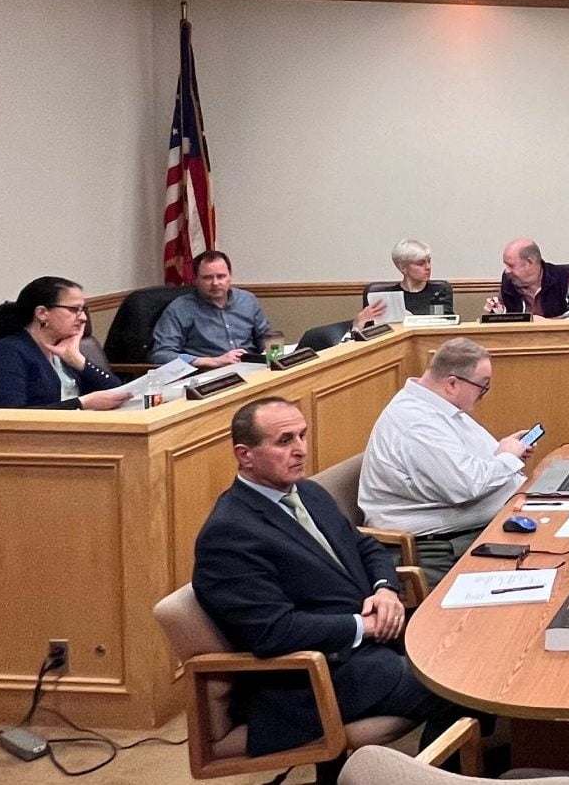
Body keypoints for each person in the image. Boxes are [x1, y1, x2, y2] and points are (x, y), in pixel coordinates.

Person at [192, 397, 466, 777]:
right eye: (284, 440)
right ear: (245, 455)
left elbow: (366, 545)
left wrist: (385, 589)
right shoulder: (230, 533)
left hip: (367, 644)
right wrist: (363, 625)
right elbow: (273, 632)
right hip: (311, 677)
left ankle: (475, 763)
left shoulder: (307, 493)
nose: (301, 449)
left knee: (465, 643)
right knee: (455, 687)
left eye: (302, 435)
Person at [359, 339, 535, 581]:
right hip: (439, 549)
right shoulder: (416, 422)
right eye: (482, 386)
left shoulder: (438, 407)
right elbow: (464, 486)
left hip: (470, 531)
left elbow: (467, 466)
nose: (484, 395)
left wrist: (507, 451)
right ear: (452, 383)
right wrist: (506, 458)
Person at [0, 276, 130, 410]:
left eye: (83, 310)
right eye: (74, 309)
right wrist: (82, 403)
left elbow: (115, 392)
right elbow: (12, 416)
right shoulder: (5, 354)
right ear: (42, 313)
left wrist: (78, 361)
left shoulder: (63, 348)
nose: (83, 318)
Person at [152, 250, 282, 369]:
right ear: (195, 279)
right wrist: (212, 361)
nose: (215, 283)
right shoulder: (180, 308)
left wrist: (269, 349)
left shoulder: (247, 300)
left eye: (221, 276)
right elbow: (161, 354)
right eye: (207, 278)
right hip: (208, 374)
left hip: (252, 368)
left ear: (230, 276)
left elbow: (264, 336)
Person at [485, 238, 569, 319]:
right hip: (522, 343)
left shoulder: (565, 278)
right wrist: (498, 312)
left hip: (561, 342)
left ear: (530, 262)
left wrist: (549, 324)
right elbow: (511, 319)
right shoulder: (509, 281)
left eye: (511, 265)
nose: (507, 271)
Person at [357, 239, 455, 325]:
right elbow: (366, 334)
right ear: (402, 267)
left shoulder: (438, 291)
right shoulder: (386, 297)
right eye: (421, 263)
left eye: (429, 261)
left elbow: (444, 323)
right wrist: (360, 321)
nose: (428, 267)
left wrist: (412, 321)